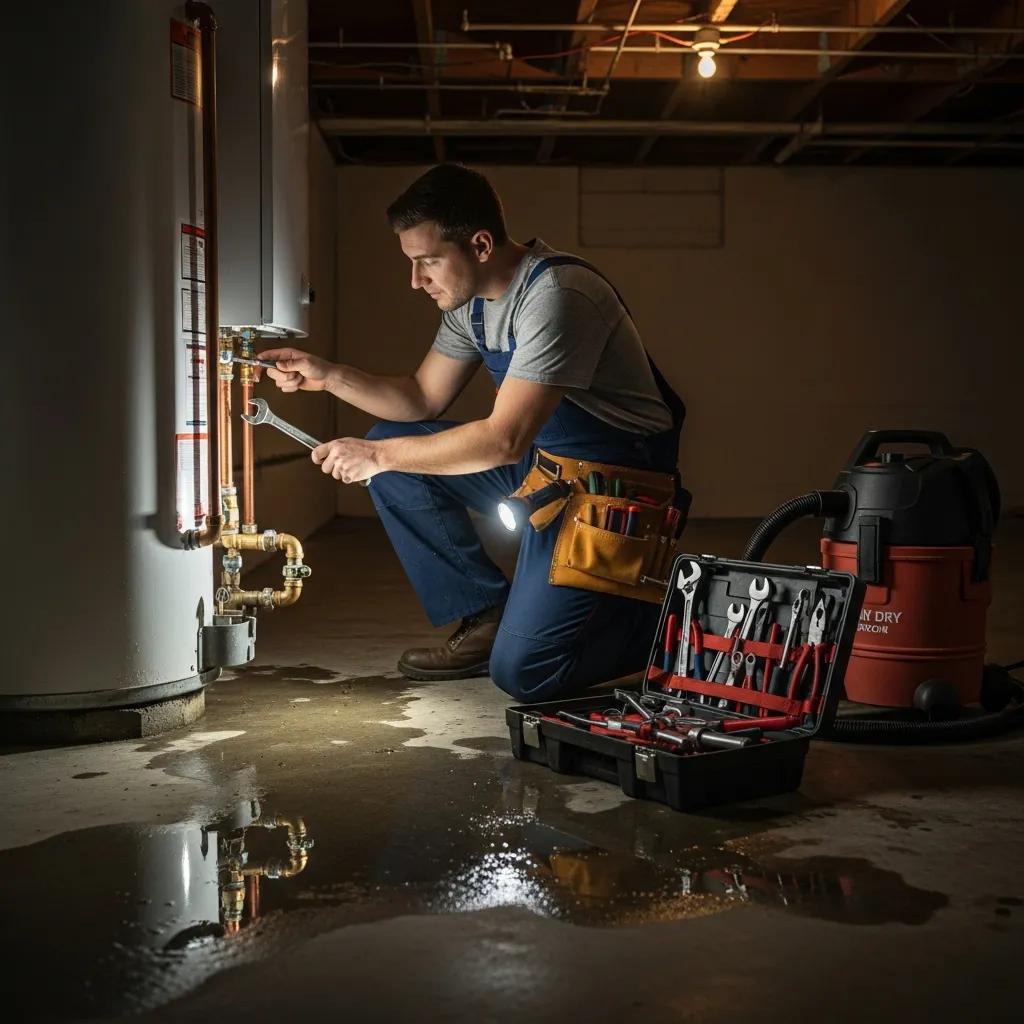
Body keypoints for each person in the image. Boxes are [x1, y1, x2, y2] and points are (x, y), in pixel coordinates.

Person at [260, 164, 686, 704]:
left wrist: (378, 454)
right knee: (395, 450)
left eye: (427, 261)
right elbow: (420, 398)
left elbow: (502, 439)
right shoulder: (473, 307)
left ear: (480, 245)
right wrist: (327, 376)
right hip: (544, 465)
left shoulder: (557, 295)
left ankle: (663, 634)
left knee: (527, 674)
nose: (416, 280)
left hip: (610, 487)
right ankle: (485, 617)